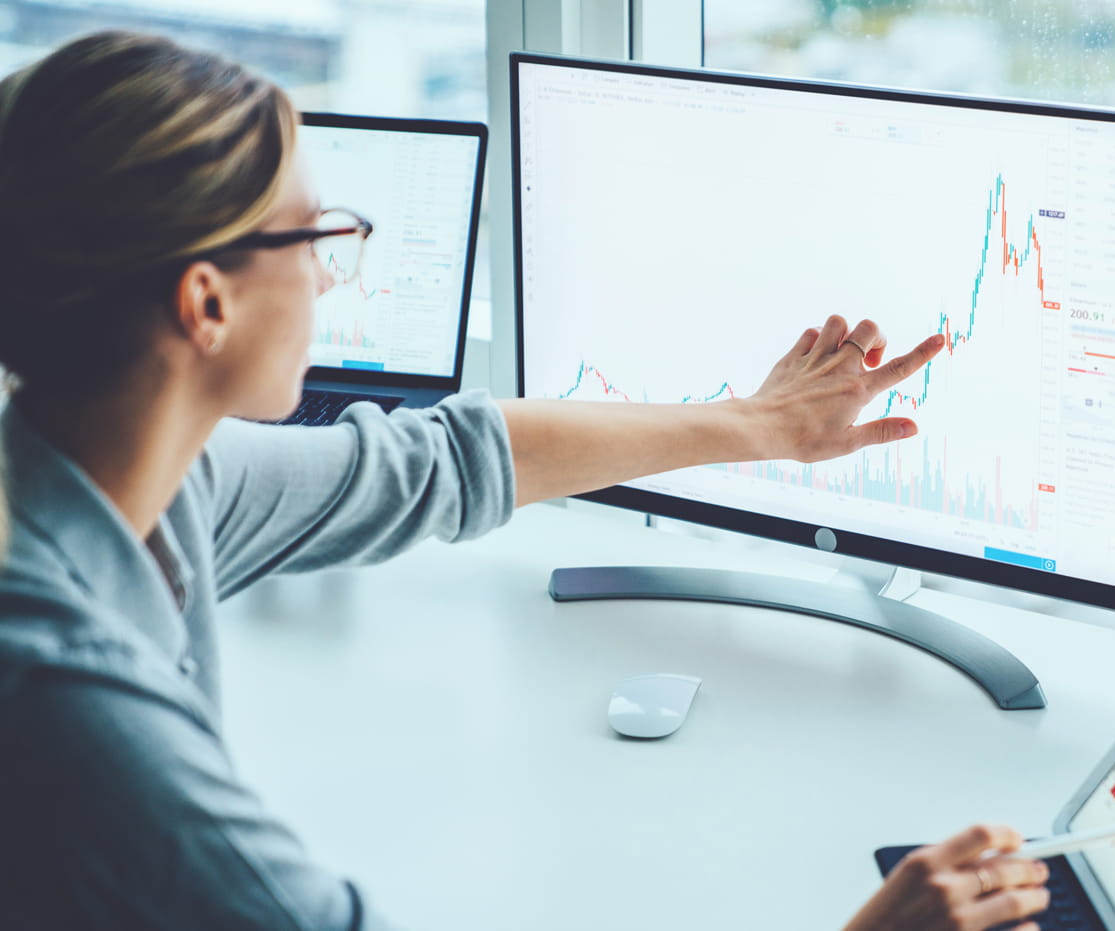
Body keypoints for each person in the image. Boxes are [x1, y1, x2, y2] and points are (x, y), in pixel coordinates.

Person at [0, 31, 1050, 931]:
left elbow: (442, 461)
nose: (329, 271)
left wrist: (758, 423)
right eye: (315, 236)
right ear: (205, 304)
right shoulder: (74, 704)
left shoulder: (105, 472)